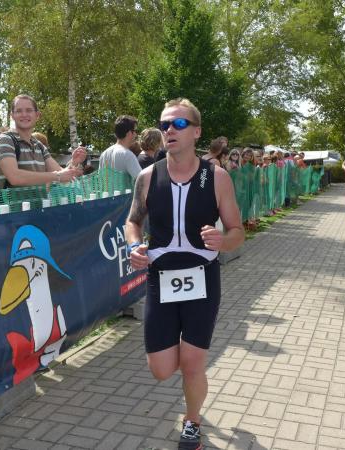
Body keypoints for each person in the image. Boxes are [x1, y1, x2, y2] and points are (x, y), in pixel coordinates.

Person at [126, 98, 244, 450]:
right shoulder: (148, 177)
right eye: (164, 125)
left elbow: (237, 231)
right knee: (162, 369)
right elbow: (133, 222)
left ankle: (192, 421)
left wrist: (222, 241)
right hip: (161, 279)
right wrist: (135, 246)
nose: (169, 130)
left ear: (196, 132)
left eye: (178, 124)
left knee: (192, 364)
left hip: (202, 278)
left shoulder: (217, 177)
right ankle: (186, 361)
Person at [0, 95, 84, 187]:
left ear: (37, 115)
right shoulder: (5, 140)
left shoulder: (39, 145)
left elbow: (61, 174)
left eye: (29, 110)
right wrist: (56, 176)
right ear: (12, 116)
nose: (24, 114)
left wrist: (74, 162)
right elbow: (15, 177)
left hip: (42, 197)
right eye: (19, 111)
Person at [98, 115, 142, 181]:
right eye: (135, 131)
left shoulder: (104, 154)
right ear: (129, 133)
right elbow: (141, 180)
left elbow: (100, 179)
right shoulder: (127, 155)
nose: (136, 134)